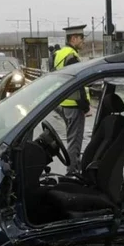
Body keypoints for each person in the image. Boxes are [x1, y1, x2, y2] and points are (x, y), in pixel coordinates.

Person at [53, 25, 90, 174]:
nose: (83, 42)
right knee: (75, 140)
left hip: (63, 103)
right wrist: (85, 104)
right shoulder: (72, 57)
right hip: (74, 104)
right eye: (82, 38)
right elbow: (78, 82)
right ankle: (72, 172)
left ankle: (75, 166)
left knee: (71, 138)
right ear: (73, 38)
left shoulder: (59, 54)